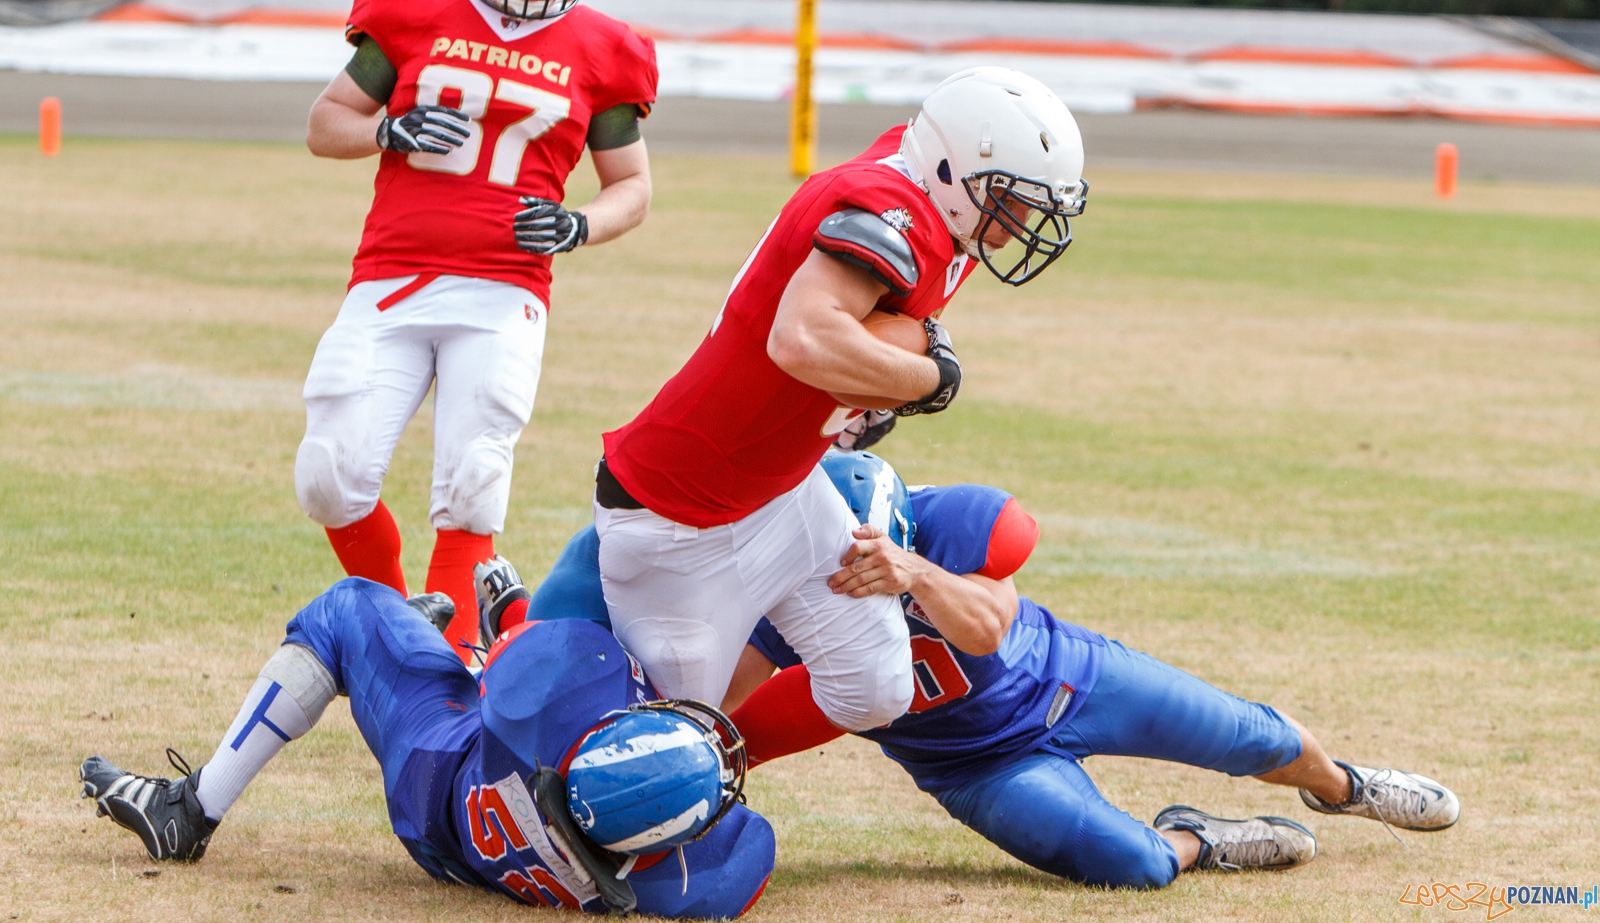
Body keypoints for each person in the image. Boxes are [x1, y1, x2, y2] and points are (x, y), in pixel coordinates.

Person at [479, 451, 1461, 888]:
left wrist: (905, 569)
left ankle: (1350, 786)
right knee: (1130, 865)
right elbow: (723, 701)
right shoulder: (786, 586)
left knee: (1255, 737)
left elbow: (987, 626)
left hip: (1072, 678)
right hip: (975, 768)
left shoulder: (957, 522)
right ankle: (1197, 836)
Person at [590, 65, 1091, 742]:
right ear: (949, 167)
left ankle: (728, 754)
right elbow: (799, 339)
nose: (1020, 223)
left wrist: (861, 396)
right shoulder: (897, 207)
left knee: (876, 685)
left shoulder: (941, 195)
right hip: (679, 518)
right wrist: (928, 380)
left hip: (780, 491)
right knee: (650, 753)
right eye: (1010, 198)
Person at [296, 0, 657, 658]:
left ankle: (439, 662)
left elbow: (631, 186)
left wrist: (578, 225)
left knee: (472, 481)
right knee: (328, 470)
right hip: (392, 278)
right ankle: (392, 624)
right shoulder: (415, 8)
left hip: (504, 290)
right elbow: (327, 123)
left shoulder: (605, 49)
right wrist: (385, 130)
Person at [78, 578, 773, 918]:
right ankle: (419, 646)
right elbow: (751, 844)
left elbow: (517, 657)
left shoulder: (568, 699)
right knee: (461, 673)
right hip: (465, 853)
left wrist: (512, 612)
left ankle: (189, 809)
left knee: (346, 611)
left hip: (438, 768)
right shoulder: (680, 882)